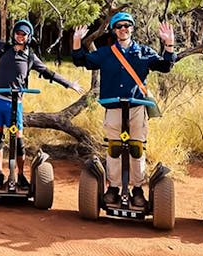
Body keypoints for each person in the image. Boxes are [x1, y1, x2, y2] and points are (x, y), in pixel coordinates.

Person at [0, 1, 83, 189]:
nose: (20, 36)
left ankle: (19, 175)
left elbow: (48, 72)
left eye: (24, 34)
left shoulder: (30, 57)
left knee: (18, 140)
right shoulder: (4, 48)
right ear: (14, 34)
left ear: (29, 37)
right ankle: (1, 174)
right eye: (18, 33)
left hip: (14, 102)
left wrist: (69, 83)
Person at [72, 12, 176, 207]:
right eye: (119, 26)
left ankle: (137, 189)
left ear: (132, 28)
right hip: (114, 106)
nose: (123, 29)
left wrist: (169, 45)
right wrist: (77, 41)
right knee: (114, 148)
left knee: (136, 148)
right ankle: (113, 188)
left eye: (127, 25)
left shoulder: (144, 52)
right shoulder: (105, 53)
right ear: (114, 30)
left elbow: (165, 66)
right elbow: (81, 61)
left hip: (136, 106)